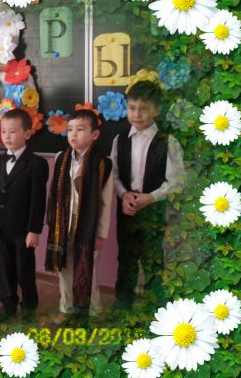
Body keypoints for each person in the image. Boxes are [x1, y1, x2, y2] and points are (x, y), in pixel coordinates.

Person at [111, 79, 184, 309]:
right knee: (126, 259)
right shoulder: (119, 139)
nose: (137, 114)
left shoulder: (168, 141)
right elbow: (114, 175)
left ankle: (156, 311)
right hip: (127, 209)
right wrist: (123, 195)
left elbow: (177, 181)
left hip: (153, 211)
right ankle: (123, 307)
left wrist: (150, 197)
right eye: (132, 108)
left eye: (144, 109)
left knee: (153, 261)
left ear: (157, 110)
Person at [45, 108, 113, 317]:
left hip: (88, 227)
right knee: (64, 269)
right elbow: (54, 194)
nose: (73, 134)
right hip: (64, 224)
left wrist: (101, 233)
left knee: (88, 270)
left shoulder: (103, 164)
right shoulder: (61, 158)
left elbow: (105, 202)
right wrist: (52, 221)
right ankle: (66, 308)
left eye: (80, 129)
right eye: (70, 129)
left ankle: (93, 310)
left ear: (95, 134)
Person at [0, 109, 48, 322]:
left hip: (24, 229)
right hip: (2, 226)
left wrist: (34, 229)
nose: (6, 136)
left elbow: (38, 199)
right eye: (3, 131)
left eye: (13, 131)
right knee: (5, 267)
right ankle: (8, 304)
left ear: (27, 134)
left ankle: (29, 305)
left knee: (24, 269)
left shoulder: (37, 164)